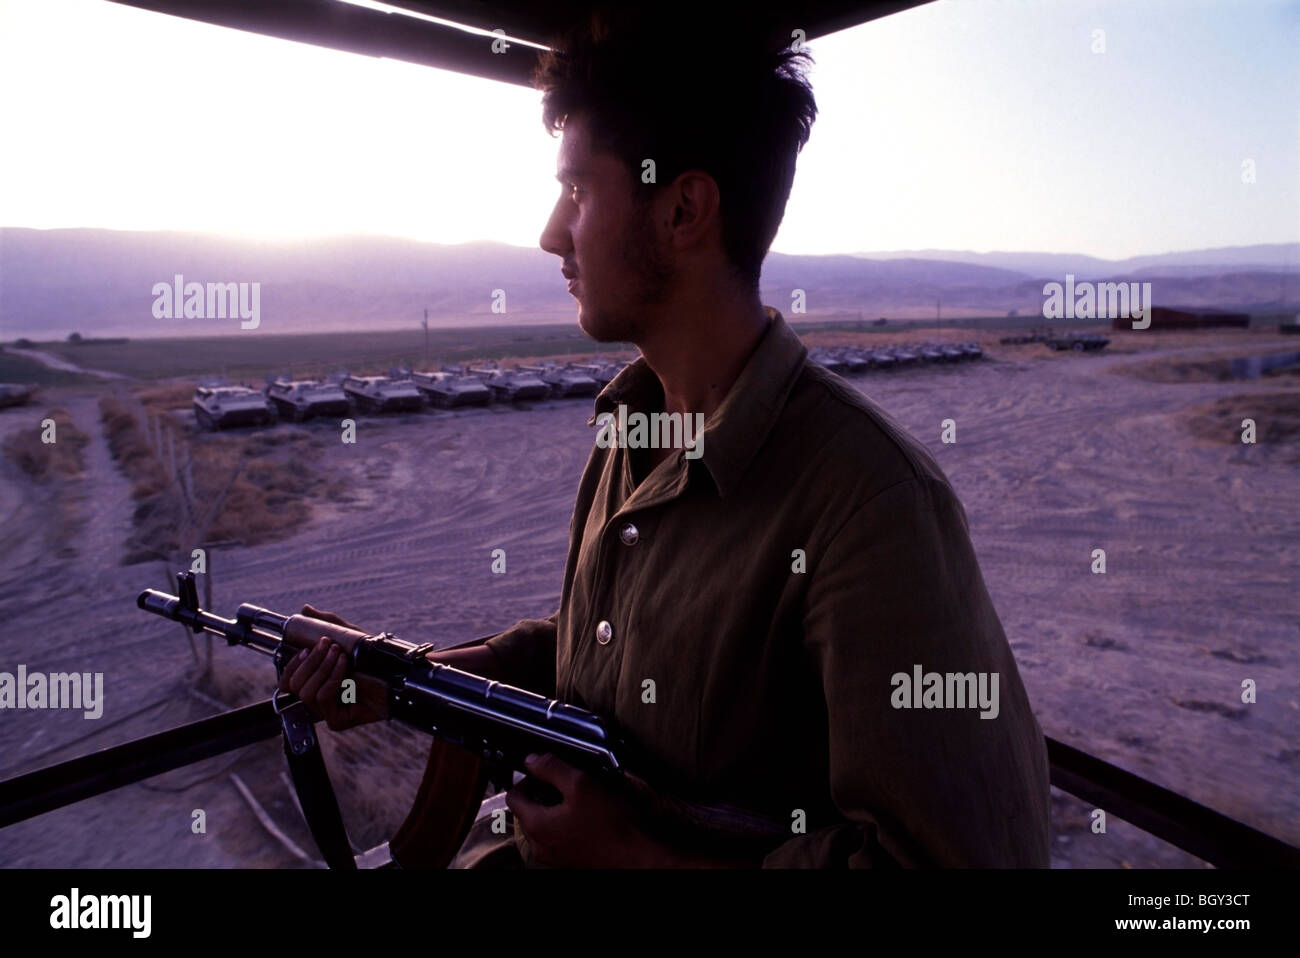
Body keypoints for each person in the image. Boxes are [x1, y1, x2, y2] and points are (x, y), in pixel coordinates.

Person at [281, 8, 1052, 868]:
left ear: (683, 209)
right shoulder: (630, 430)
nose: (548, 233)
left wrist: (640, 858)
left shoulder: (873, 504)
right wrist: (409, 676)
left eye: (577, 191)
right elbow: (594, 663)